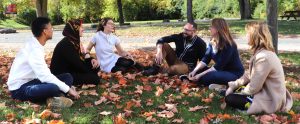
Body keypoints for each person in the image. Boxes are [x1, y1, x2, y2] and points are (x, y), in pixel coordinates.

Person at [7, 17, 80, 108]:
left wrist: (65, 86)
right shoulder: (34, 49)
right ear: (45, 31)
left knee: (67, 77)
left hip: (34, 81)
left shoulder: (36, 44)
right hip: (20, 88)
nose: (52, 30)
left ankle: (54, 98)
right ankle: (55, 98)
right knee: (54, 87)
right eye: (51, 28)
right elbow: (44, 76)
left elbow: (43, 73)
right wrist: (68, 89)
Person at [225, 22, 293, 114]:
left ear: (254, 36)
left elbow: (254, 87)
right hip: (264, 92)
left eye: (247, 34)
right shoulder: (260, 53)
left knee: (230, 98)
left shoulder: (264, 57)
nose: (246, 36)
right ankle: (227, 90)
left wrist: (239, 92)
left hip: (271, 99)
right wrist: (234, 85)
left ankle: (247, 104)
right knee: (231, 89)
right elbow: (249, 75)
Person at [188, 18, 244, 88]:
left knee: (208, 76)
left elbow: (218, 66)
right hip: (220, 71)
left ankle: (226, 85)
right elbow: (205, 59)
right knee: (195, 70)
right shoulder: (212, 41)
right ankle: (218, 84)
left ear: (217, 29)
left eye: (211, 26)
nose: (209, 28)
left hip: (233, 73)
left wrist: (199, 75)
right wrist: (195, 71)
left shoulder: (229, 45)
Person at [142, 22, 207, 76]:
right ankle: (155, 68)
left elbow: (203, 60)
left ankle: (158, 69)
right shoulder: (180, 36)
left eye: (187, 30)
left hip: (186, 66)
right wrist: (159, 51)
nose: (184, 31)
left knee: (173, 69)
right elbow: (161, 40)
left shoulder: (201, 43)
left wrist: (198, 72)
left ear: (194, 31)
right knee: (164, 44)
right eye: (184, 29)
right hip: (174, 59)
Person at [50, 19, 100, 85]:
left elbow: (81, 56)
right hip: (62, 75)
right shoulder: (67, 44)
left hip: (71, 68)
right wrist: (90, 72)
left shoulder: (74, 41)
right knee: (95, 79)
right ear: (75, 28)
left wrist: (91, 59)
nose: (83, 29)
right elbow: (78, 63)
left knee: (95, 66)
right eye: (81, 27)